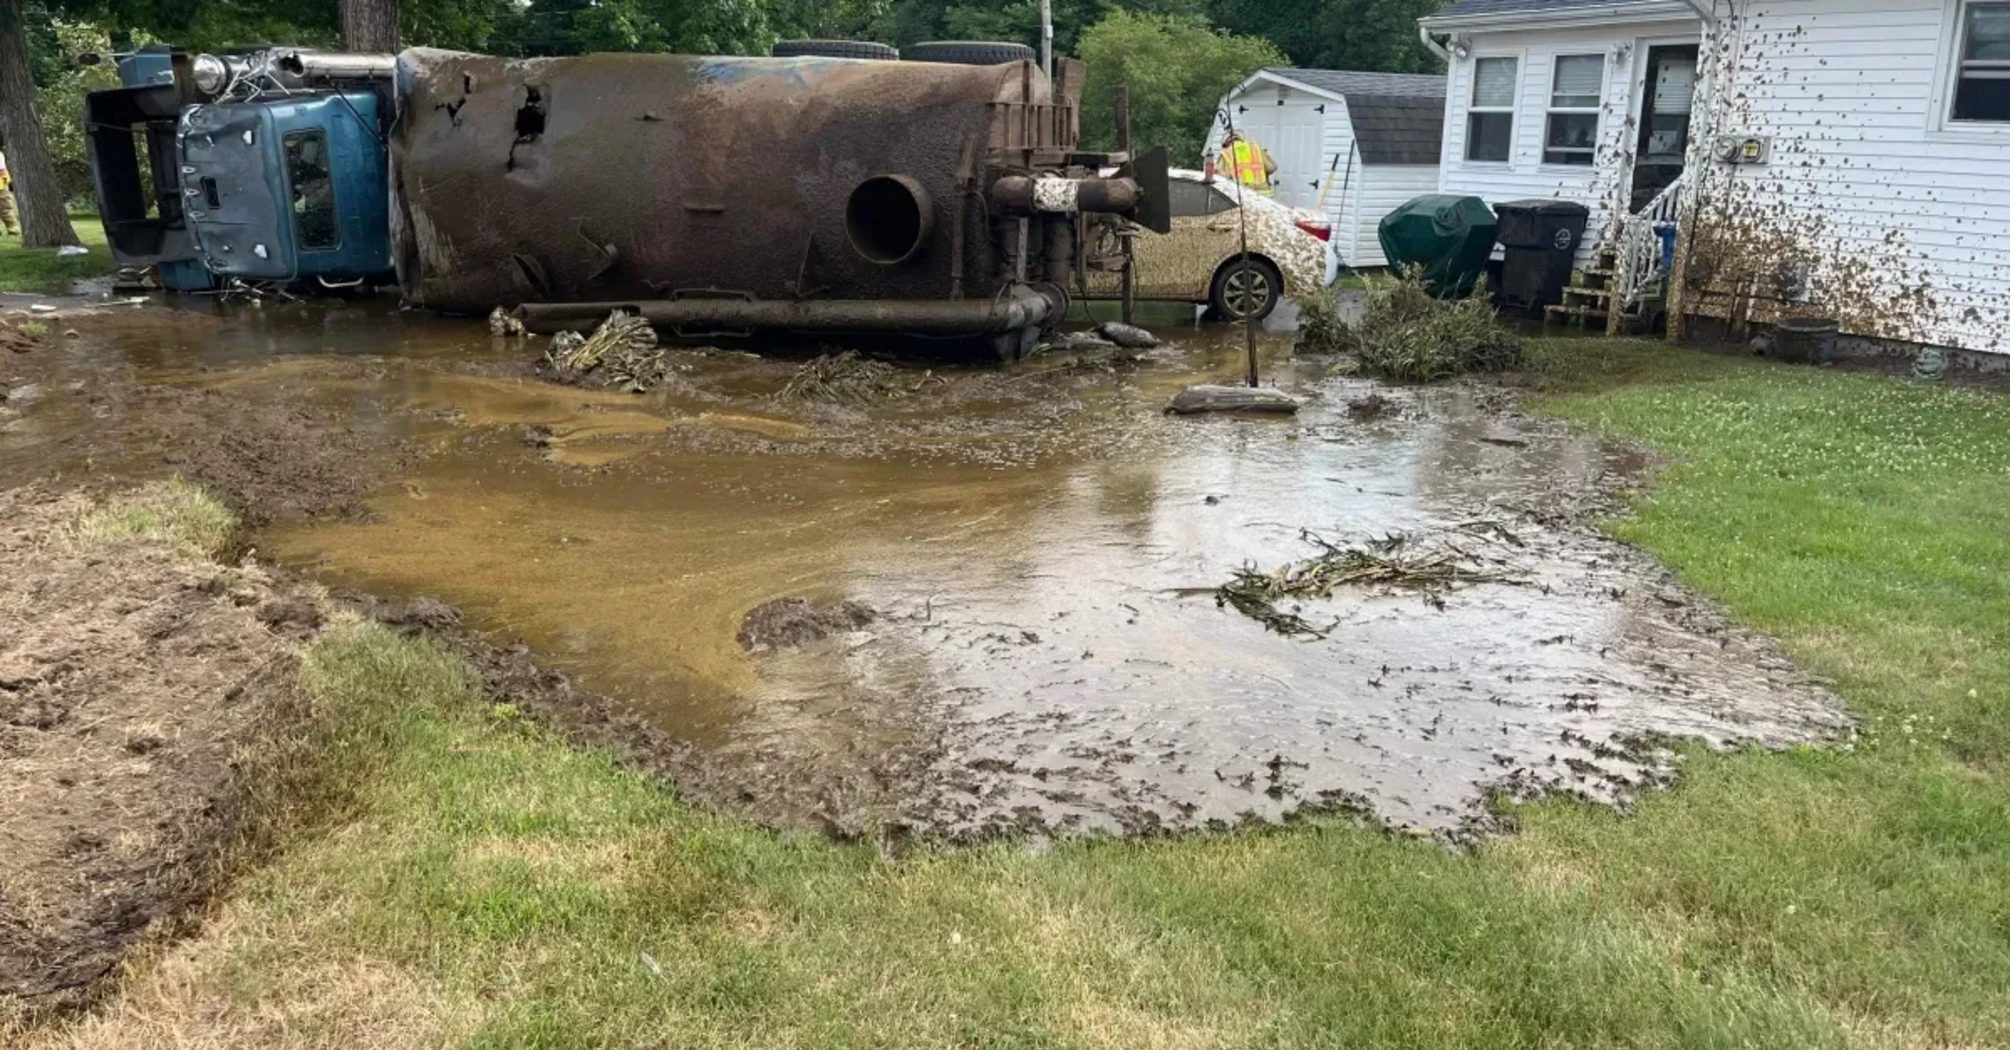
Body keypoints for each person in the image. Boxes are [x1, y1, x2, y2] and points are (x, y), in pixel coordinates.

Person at [1216, 129, 1276, 196]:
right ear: (1241, 138)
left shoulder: (1226, 153)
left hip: (1243, 196)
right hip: (1264, 196)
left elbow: (1220, 178)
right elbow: (1272, 168)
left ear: (1225, 143)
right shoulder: (1255, 148)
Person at [0, 149, 18, 236]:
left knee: (5, 207)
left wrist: (3, 182)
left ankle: (12, 227)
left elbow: (2, 170)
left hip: (1, 183)